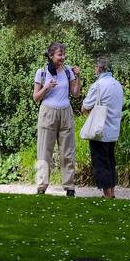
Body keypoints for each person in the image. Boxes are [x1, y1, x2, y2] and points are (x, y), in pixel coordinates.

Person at [32, 42, 81, 196]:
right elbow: (35, 97)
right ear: (51, 56)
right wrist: (47, 87)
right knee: (44, 151)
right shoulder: (41, 72)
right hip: (47, 113)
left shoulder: (68, 71)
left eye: (63, 54)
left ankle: (69, 187)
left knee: (67, 152)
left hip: (65, 112)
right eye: (60, 54)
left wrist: (78, 76)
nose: (63, 57)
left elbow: (75, 93)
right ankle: (41, 186)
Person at [80, 58, 126, 198]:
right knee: (111, 161)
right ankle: (112, 192)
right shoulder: (117, 85)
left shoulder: (98, 85)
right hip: (113, 130)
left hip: (99, 130)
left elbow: (85, 106)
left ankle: (106, 194)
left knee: (101, 162)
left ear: (99, 69)